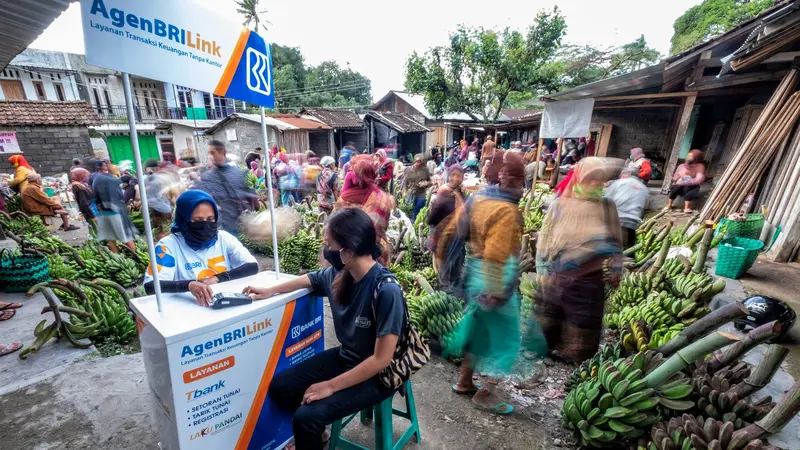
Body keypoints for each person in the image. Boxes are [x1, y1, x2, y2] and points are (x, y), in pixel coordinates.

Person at [244, 208, 407, 450]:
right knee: (281, 387)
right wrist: (270, 290)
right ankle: (317, 437)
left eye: (329, 244)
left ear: (348, 251)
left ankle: (310, 434)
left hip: (377, 375)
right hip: (347, 357)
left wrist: (330, 386)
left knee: (307, 417)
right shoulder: (341, 273)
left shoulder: (386, 290)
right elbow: (309, 279)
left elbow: (381, 359)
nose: (325, 250)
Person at [444, 152, 527, 415]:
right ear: (513, 181)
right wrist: (497, 292)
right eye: (522, 182)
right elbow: (497, 254)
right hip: (494, 276)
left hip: (476, 271)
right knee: (508, 339)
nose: (523, 189)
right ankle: (487, 393)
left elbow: (459, 228)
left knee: (478, 332)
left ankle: (464, 382)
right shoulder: (507, 211)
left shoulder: (480, 198)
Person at [535, 158, 623, 363]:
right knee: (549, 320)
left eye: (599, 181)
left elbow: (616, 240)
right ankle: (544, 352)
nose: (594, 185)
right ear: (578, 179)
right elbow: (545, 239)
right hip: (559, 274)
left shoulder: (607, 206)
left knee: (584, 322)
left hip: (590, 278)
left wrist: (616, 269)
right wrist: (542, 270)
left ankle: (578, 361)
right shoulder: (560, 205)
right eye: (590, 179)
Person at [143, 190, 258, 304]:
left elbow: (252, 266)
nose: (205, 225)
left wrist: (217, 278)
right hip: (189, 309)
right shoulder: (168, 245)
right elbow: (151, 286)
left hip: (225, 304)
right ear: (183, 220)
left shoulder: (224, 239)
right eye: (198, 220)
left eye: (210, 219)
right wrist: (189, 285)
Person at [337, 155, 394, 265]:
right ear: (374, 173)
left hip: (346, 255)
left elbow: (334, 226)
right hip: (375, 256)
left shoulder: (344, 198)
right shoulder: (382, 198)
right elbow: (384, 226)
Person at [197, 140, 255, 234]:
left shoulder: (238, 173)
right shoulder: (207, 176)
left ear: (222, 152)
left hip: (235, 222)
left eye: (212, 153)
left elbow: (248, 192)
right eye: (209, 153)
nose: (210, 156)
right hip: (219, 224)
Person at [428, 164, 465, 291]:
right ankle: (444, 293)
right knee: (444, 269)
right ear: (448, 176)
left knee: (455, 267)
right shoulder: (445, 191)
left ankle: (454, 295)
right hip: (444, 236)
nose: (455, 178)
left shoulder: (457, 191)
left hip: (456, 236)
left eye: (459, 175)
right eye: (453, 175)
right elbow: (435, 216)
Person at [605, 168, 649, 250]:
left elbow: (606, 200)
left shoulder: (619, 183)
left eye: (621, 175)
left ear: (627, 174)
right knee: (629, 251)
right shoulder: (644, 188)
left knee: (610, 249)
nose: (620, 177)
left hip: (616, 221)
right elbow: (644, 209)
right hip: (632, 225)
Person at [93, 172, 137, 253]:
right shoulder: (113, 186)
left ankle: (116, 255)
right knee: (126, 237)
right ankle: (135, 257)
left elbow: (96, 202)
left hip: (104, 215)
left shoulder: (96, 185)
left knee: (111, 239)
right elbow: (120, 201)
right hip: (116, 215)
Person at [144, 159, 175, 240]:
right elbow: (170, 195)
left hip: (152, 208)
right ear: (157, 168)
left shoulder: (145, 180)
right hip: (164, 209)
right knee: (166, 231)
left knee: (159, 231)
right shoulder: (163, 178)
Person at [402, 154, 431, 221]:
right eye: (416, 161)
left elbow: (430, 181)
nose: (417, 163)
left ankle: (415, 225)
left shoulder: (425, 170)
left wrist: (426, 183)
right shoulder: (409, 170)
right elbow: (405, 182)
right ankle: (412, 224)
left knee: (418, 210)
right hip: (411, 194)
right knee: (411, 211)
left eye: (419, 162)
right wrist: (404, 192)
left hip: (421, 194)